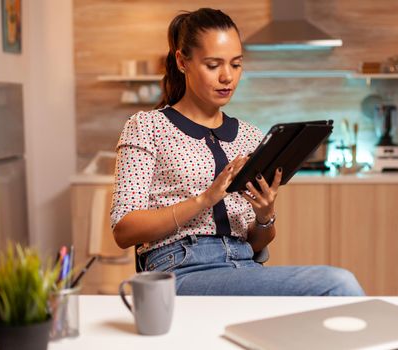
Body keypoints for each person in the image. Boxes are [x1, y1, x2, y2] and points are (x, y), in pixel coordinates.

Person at [110, 8, 364, 296]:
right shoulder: (147, 126)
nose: (227, 77)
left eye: (236, 64)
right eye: (213, 64)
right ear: (182, 61)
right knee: (336, 284)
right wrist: (205, 199)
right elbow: (124, 230)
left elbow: (256, 243)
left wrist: (265, 215)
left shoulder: (251, 137)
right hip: (180, 270)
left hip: (243, 267)